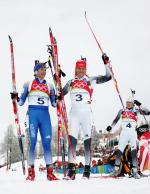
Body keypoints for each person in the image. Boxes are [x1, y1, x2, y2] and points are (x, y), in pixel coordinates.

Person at [62, 54, 112, 179]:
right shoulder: (71, 82)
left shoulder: (91, 80)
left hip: (86, 114)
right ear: (75, 69)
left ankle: (87, 171)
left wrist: (106, 63)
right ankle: (71, 171)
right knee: (72, 143)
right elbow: (60, 95)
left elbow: (108, 77)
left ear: (85, 69)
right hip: (73, 114)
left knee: (87, 143)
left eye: (82, 68)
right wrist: (57, 87)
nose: (80, 70)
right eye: (78, 68)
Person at [11, 61, 58, 181]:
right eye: (41, 69)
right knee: (32, 142)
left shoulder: (50, 85)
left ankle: (50, 172)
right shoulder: (28, 83)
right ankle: (31, 172)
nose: (43, 72)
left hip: (45, 116)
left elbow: (53, 104)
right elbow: (21, 103)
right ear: (36, 71)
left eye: (44, 70)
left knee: (47, 143)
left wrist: (58, 98)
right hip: (32, 115)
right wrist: (15, 97)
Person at [106, 97, 150, 179]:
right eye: (127, 102)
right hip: (124, 134)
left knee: (133, 153)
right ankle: (116, 170)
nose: (127, 104)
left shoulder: (136, 111)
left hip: (132, 134)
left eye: (129, 103)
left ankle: (135, 172)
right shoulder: (122, 110)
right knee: (119, 152)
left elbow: (147, 112)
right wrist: (110, 127)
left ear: (133, 104)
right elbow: (115, 120)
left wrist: (140, 104)